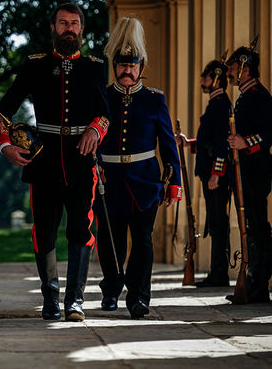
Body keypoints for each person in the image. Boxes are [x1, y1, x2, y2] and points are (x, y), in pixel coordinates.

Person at [0, 3, 110, 322]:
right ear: (53, 28)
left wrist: (94, 129)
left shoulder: (96, 66)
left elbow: (106, 112)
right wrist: (4, 145)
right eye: (62, 23)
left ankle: (75, 300)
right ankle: (50, 298)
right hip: (42, 160)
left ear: (82, 30)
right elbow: (3, 109)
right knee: (44, 231)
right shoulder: (35, 65)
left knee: (80, 229)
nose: (69, 28)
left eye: (74, 23)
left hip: (81, 160)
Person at [96, 17, 182, 319]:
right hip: (109, 181)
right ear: (115, 66)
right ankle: (111, 289)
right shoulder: (103, 97)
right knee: (110, 242)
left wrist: (174, 181)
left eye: (132, 66)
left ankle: (139, 297)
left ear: (141, 66)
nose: (127, 71)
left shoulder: (154, 100)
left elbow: (168, 143)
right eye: (122, 65)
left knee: (143, 241)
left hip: (145, 181)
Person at [225, 42, 272, 304]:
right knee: (250, 227)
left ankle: (260, 285)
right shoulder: (245, 96)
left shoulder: (258, 95)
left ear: (246, 68)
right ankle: (252, 280)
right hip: (245, 171)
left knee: (258, 227)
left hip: (256, 171)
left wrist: (245, 142)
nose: (230, 73)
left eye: (234, 67)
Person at [175, 59, 231, 287]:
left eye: (206, 77)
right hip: (210, 170)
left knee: (218, 223)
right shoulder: (215, 103)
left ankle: (219, 273)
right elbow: (209, 141)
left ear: (216, 79)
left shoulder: (219, 104)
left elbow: (221, 144)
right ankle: (217, 272)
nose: (201, 81)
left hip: (215, 173)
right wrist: (190, 144)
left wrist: (217, 173)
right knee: (215, 222)